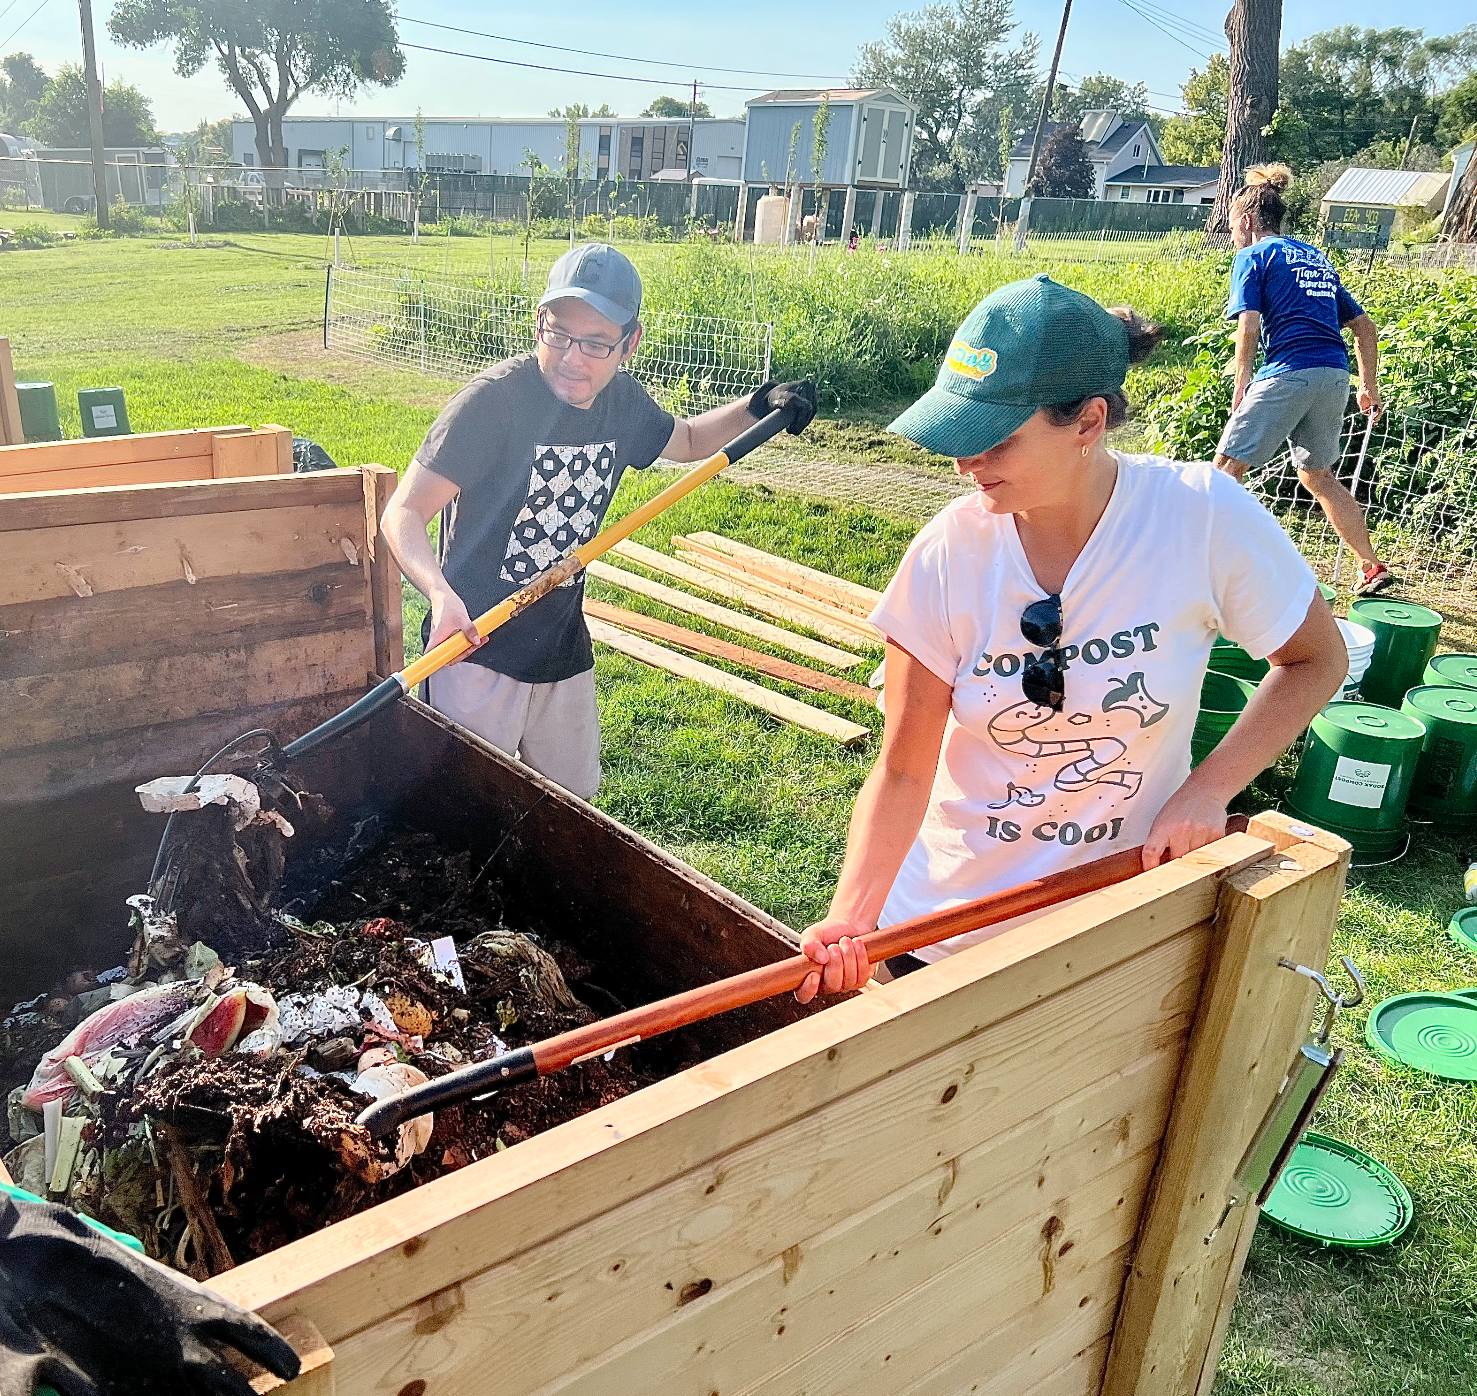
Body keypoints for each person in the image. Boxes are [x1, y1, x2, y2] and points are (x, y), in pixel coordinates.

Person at [795, 273, 1347, 1002]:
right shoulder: (946, 556)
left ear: (1088, 423)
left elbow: (1315, 659)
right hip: (943, 931)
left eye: (994, 440)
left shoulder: (1199, 518)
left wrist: (1206, 791)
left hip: (1112, 917)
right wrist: (852, 918)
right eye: (956, 438)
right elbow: (902, 769)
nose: (966, 465)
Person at [381, 242, 815, 799]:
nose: (572, 358)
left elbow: (684, 441)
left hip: (561, 647)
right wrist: (439, 595)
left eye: (594, 343)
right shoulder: (493, 405)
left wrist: (758, 406)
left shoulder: (621, 405)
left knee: (572, 808)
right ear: (539, 321)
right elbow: (406, 512)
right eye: (558, 334)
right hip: (473, 648)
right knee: (465, 811)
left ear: (629, 344)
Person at [1215, 163, 1393, 596]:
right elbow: (1364, 326)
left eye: (1233, 227)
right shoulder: (1314, 256)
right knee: (1318, 476)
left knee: (1223, 470)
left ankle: (1208, 564)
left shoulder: (1253, 255)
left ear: (1246, 221)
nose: (1233, 235)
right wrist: (1368, 387)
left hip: (1288, 372)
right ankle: (1371, 566)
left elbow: (1249, 325)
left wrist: (1242, 382)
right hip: (1335, 376)